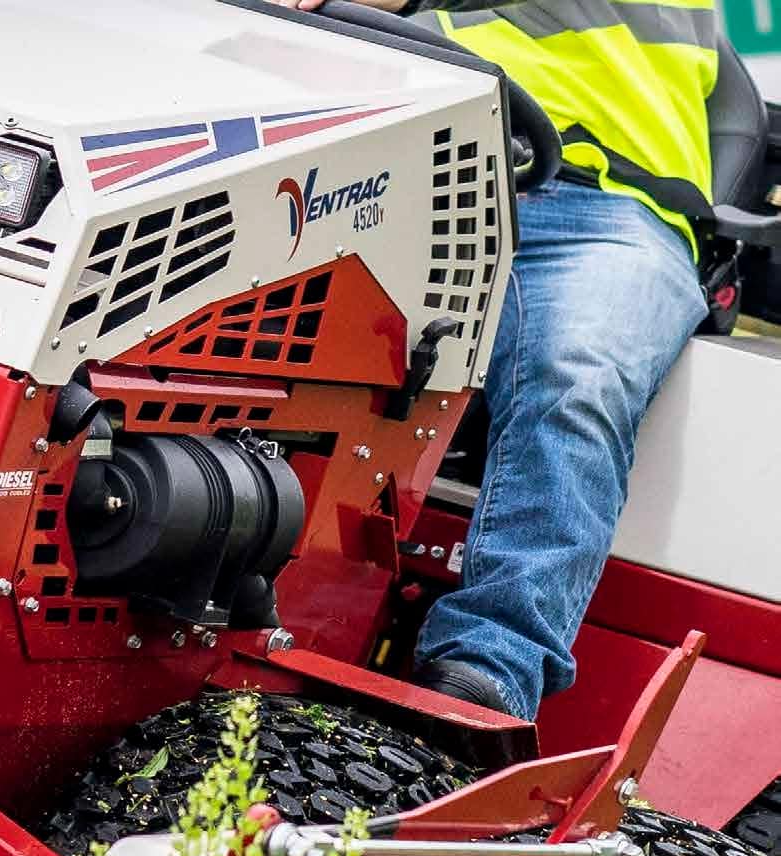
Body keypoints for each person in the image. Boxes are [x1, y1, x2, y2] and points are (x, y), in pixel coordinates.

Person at [266, 0, 722, 721]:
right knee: (265, 327)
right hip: (418, 169)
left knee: (576, 376)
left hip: (610, 204)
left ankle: (484, 675)